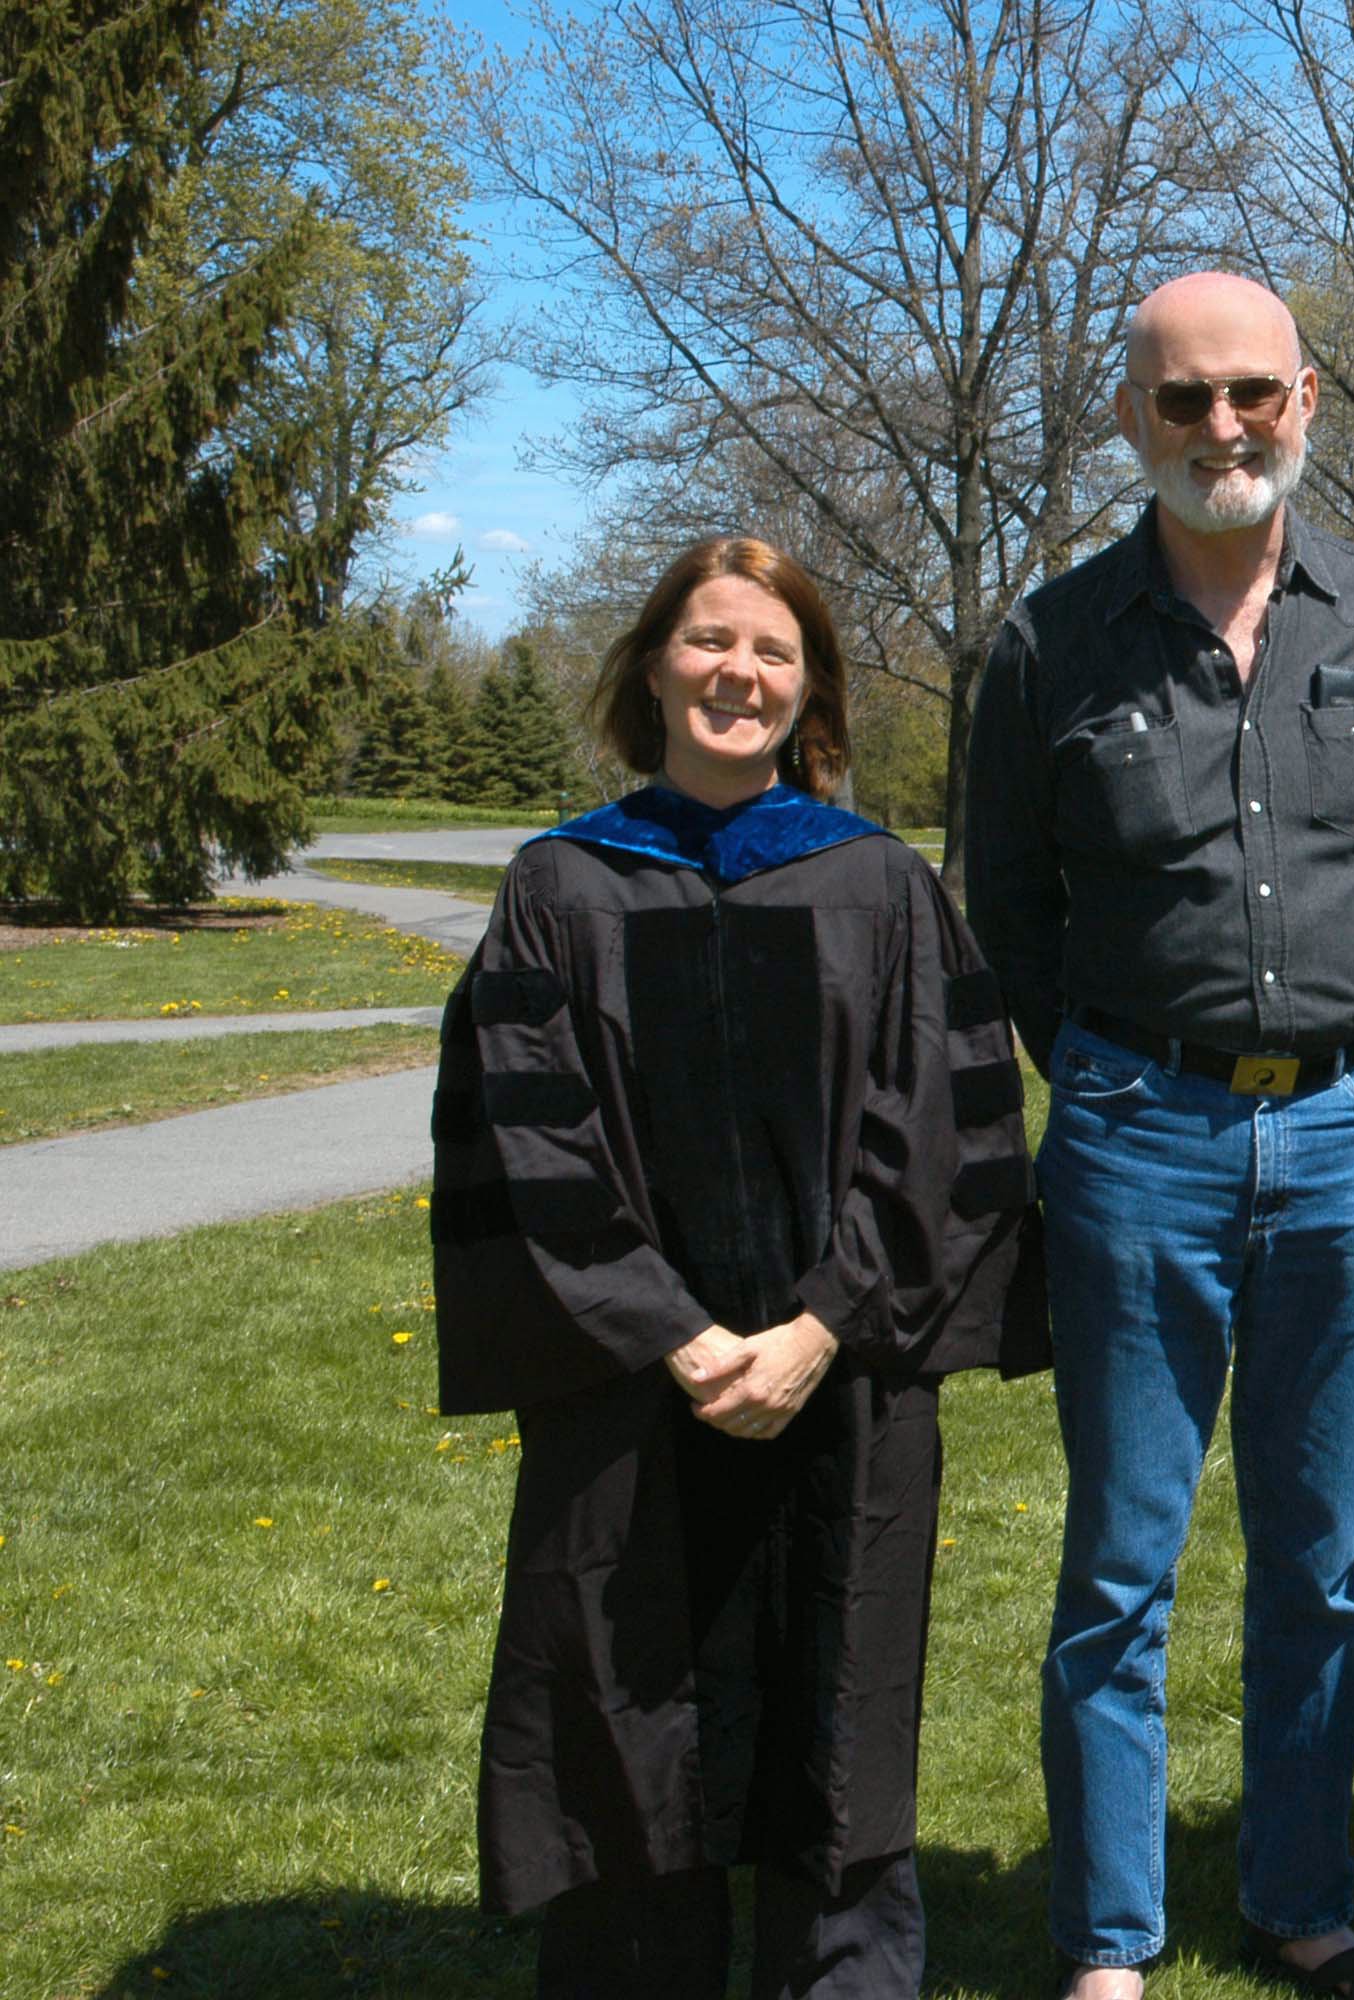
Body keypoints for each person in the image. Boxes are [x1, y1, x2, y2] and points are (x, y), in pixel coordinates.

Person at [431, 534, 1044, 1997]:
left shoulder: (879, 887)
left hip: (841, 1389)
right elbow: (536, 1140)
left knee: (839, 1707)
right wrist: (677, 1335)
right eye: (709, 642)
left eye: (772, 650)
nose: (739, 672)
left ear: (809, 688)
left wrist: (822, 1325)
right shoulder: (559, 890)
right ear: (653, 666)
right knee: (628, 1699)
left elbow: (940, 1135)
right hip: (631, 1396)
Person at [964, 270, 1354, 2000]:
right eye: (1184, 401)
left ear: (1307, 399)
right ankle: (1110, 1940)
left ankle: (1302, 1904)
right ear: (1130, 417)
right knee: (1120, 1563)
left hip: (1346, 1136)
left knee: (1313, 1566)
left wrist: (1308, 1035)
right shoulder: (1046, 644)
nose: (1223, 427)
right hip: (1133, 1139)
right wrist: (1124, 1070)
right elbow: (1006, 907)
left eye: (1251, 392)